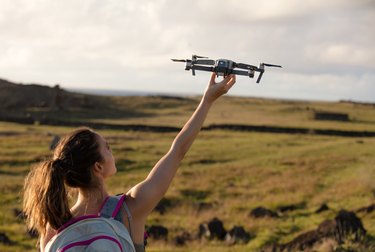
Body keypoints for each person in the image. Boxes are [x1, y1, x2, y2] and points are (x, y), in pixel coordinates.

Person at [23, 73, 236, 251]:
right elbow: (177, 151)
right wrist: (207, 101)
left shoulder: (53, 226)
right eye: (106, 147)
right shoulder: (130, 209)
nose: (111, 150)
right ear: (98, 167)